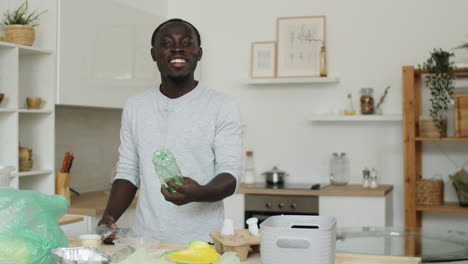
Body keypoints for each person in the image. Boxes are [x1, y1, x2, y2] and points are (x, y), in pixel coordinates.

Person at [98, 18, 242, 243]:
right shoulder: (136, 106)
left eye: (187, 42)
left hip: (202, 243)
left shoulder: (222, 106)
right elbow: (128, 170)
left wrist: (199, 193)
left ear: (199, 53)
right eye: (167, 43)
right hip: (145, 241)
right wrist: (109, 216)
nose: (177, 48)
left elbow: (230, 174)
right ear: (154, 53)